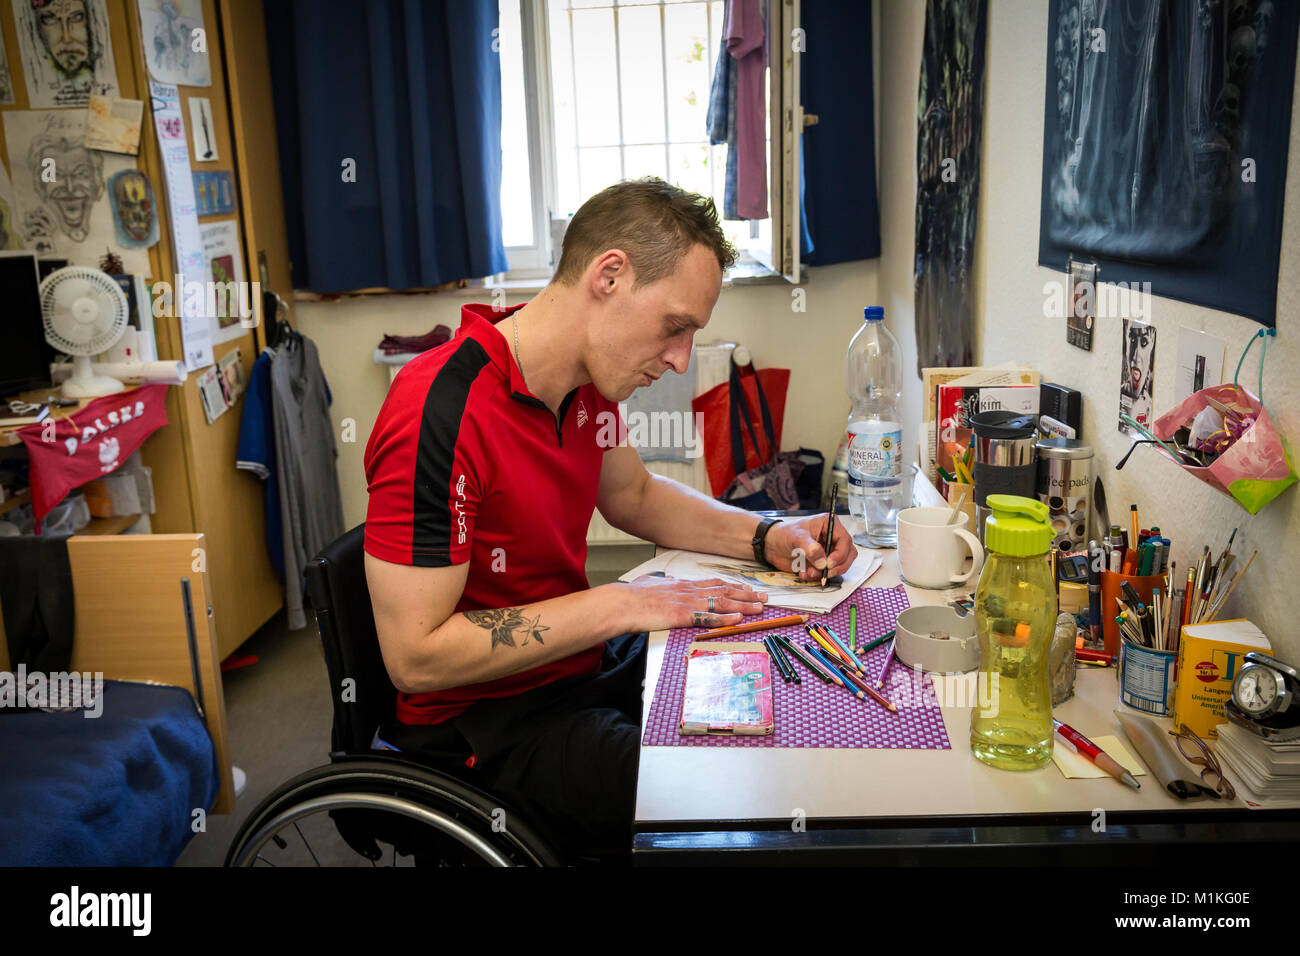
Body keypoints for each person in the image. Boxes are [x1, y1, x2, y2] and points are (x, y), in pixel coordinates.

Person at [363, 177, 856, 859]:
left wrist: (771, 536)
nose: (681, 358)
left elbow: (636, 497)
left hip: (570, 669)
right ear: (610, 276)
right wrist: (618, 605)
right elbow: (416, 656)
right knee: (727, 796)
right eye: (675, 326)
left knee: (759, 674)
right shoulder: (441, 410)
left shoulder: (584, 387)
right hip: (484, 725)